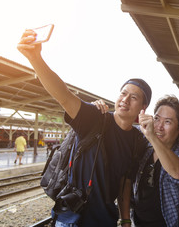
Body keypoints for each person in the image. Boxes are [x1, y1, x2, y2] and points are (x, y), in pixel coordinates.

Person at [17, 29, 151, 227]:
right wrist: (36, 58)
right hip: (72, 218)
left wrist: (125, 219)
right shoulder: (94, 118)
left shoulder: (137, 140)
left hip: (105, 220)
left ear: (143, 107)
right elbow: (63, 95)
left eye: (134, 97)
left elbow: (125, 181)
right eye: (123, 93)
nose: (125, 100)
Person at [133, 95, 179, 227]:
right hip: (137, 220)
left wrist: (153, 138)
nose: (159, 127)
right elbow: (121, 126)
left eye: (167, 122)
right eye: (156, 119)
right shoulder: (144, 143)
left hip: (166, 222)